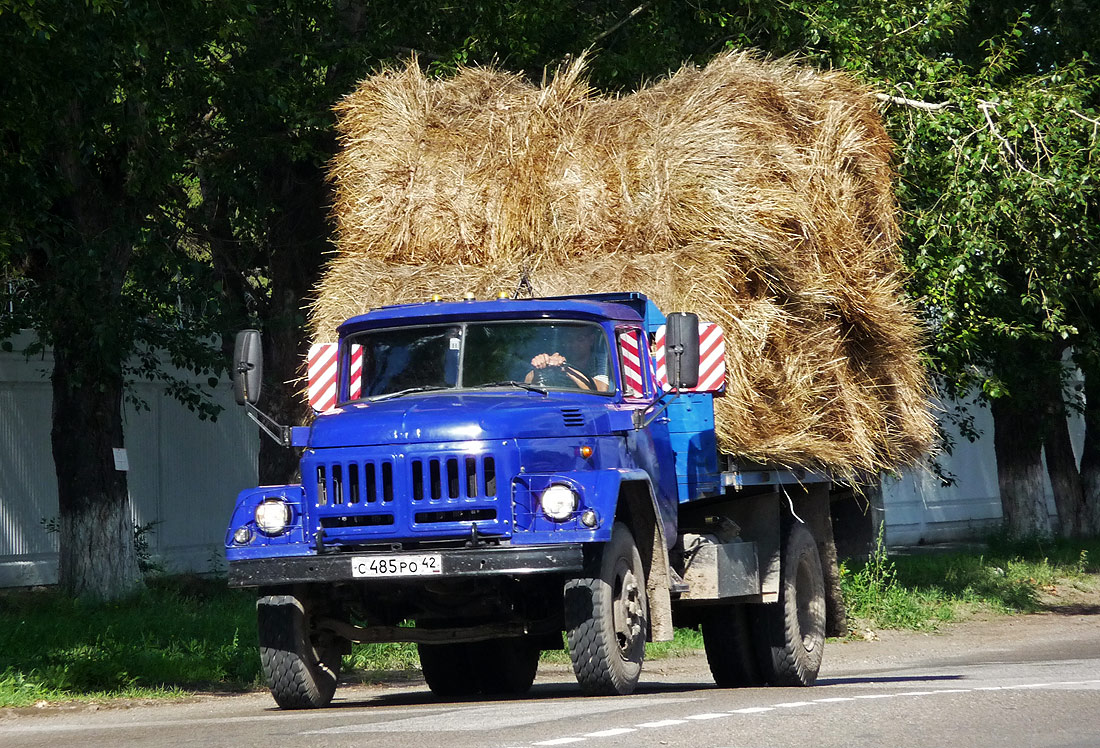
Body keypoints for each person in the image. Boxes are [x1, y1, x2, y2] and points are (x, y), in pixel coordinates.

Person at [525, 325, 610, 392]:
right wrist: (538, 368)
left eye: (580, 339)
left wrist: (566, 368)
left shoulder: (602, 361)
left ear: (591, 340)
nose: (573, 344)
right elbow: (525, 385)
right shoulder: (557, 357)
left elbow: (602, 389)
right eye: (569, 339)